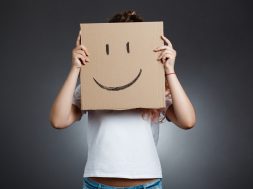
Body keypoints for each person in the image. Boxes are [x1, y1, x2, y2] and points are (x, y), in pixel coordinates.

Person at [49, 10, 196, 189]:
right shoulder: (93, 86)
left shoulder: (154, 86)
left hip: (147, 185)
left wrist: (169, 70)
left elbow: (187, 121)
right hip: (97, 184)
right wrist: (75, 69)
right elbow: (58, 120)